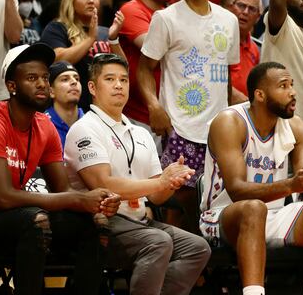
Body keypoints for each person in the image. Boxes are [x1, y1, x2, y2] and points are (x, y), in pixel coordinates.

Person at [0, 43, 121, 295]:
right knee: (36, 220)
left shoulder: (44, 126)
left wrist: (94, 203)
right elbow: (4, 197)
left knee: (97, 224)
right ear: (12, 86)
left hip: (12, 222)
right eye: (31, 78)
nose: (42, 84)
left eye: (45, 78)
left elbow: (63, 190)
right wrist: (78, 198)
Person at [200, 62, 303, 295]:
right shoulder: (229, 122)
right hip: (223, 216)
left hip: (275, 215)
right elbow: (237, 190)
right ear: (259, 95)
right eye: (283, 86)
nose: (293, 92)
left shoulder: (297, 126)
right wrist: (292, 184)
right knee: (253, 209)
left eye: (292, 85)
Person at [64, 53, 210, 295]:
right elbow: (104, 184)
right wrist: (159, 182)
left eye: (124, 80)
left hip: (140, 220)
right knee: (158, 242)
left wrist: (170, 182)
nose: (119, 85)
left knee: (197, 248)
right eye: (110, 79)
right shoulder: (84, 129)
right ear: (92, 87)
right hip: (99, 224)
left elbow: (157, 198)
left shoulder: (140, 133)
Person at [138, 0, 239, 233]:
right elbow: (145, 68)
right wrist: (154, 107)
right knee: (179, 202)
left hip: (220, 128)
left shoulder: (228, 20)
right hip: (181, 125)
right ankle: (178, 266)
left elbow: (227, 75)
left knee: (216, 202)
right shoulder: (166, 18)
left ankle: (206, 267)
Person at [118, 0, 185, 140]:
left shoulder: (176, 11)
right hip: (140, 114)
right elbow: (156, 48)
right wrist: (187, 9)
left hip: (175, 112)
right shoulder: (131, 10)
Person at [39, 0, 126, 111]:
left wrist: (113, 39)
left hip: (105, 107)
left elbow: (123, 68)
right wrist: (90, 39)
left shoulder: (105, 32)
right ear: (71, 0)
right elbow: (58, 59)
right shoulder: (57, 28)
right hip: (73, 107)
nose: (91, 1)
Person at [227, 0, 262, 103]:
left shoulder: (256, 48)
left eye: (252, 9)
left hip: (244, 112)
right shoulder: (219, 40)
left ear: (257, 18)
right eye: (241, 6)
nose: (245, 12)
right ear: (231, 8)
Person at [45, 61, 83, 148]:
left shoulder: (93, 123)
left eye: (77, 79)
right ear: (51, 91)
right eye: (65, 79)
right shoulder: (40, 126)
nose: (74, 82)